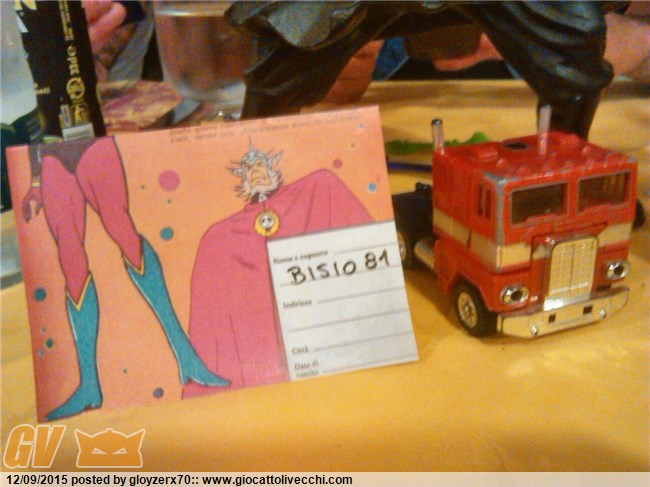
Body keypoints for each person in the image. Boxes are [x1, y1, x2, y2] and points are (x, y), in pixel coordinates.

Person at [23, 137, 229, 420]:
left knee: (123, 231)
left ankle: (187, 356)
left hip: (91, 146)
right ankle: (89, 387)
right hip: (51, 155)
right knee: (70, 260)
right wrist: (35, 181)